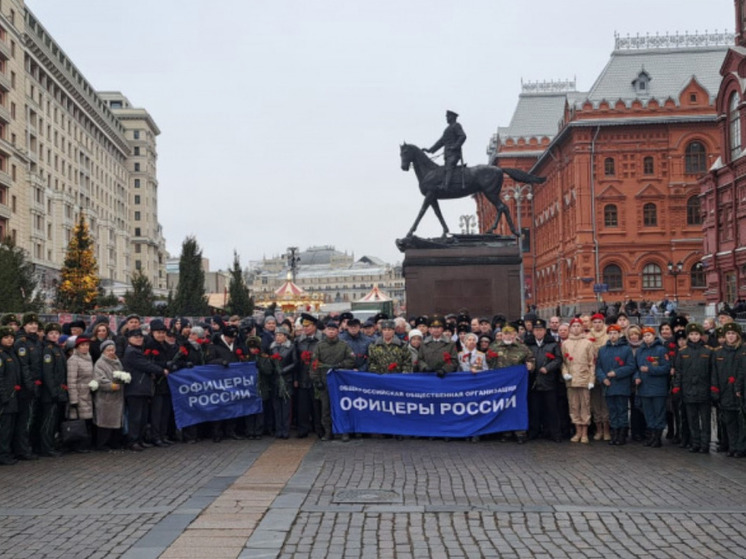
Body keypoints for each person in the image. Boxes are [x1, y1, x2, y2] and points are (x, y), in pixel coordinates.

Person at [486, 324, 534, 443]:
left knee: (518, 407)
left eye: (511, 334)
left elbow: (531, 359)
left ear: (515, 335)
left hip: (517, 385)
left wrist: (531, 365)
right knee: (504, 407)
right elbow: (488, 363)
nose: (508, 336)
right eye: (506, 333)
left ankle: (520, 433)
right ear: (502, 335)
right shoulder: (494, 347)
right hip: (501, 385)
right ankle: (505, 432)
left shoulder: (522, 348)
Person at [310, 321, 355, 441]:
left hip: (340, 383)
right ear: (325, 331)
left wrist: (339, 365)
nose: (331, 331)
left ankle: (344, 432)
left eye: (333, 329)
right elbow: (314, 364)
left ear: (338, 331)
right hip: (325, 383)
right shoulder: (320, 346)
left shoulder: (344, 345)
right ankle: (328, 432)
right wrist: (316, 380)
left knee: (342, 408)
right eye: (329, 329)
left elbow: (351, 360)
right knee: (326, 409)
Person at [673, 323, 714, 453]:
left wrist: (713, 389)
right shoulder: (683, 352)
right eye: (691, 334)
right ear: (688, 336)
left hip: (704, 390)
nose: (694, 337)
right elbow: (679, 371)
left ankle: (705, 443)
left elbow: (712, 372)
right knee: (692, 419)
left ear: (700, 335)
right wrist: (677, 387)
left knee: (705, 419)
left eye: (696, 334)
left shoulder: (708, 351)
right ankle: (695, 442)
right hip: (688, 390)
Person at [123, 328, 164, 451]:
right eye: (135, 337)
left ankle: (140, 439)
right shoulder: (131, 352)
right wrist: (162, 370)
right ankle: (133, 441)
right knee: (135, 417)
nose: (139, 339)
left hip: (142, 388)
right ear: (129, 339)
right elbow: (145, 365)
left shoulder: (138, 350)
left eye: (140, 337)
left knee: (143, 417)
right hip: (135, 388)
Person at [524, 319, 562, 443]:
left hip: (548, 381)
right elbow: (524, 358)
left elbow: (558, 359)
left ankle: (554, 433)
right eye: (536, 330)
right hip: (533, 381)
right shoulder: (528, 344)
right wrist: (528, 365)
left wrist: (548, 368)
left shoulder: (552, 344)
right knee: (534, 409)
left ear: (545, 331)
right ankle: (534, 432)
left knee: (552, 409)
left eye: (541, 330)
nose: (539, 332)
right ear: (533, 331)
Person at [596, 324, 634, 445]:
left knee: (622, 410)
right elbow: (598, 367)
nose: (613, 336)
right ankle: (614, 433)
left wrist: (616, 373)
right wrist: (603, 378)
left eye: (615, 333)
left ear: (619, 334)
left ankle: (622, 434)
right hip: (608, 385)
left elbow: (631, 366)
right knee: (612, 411)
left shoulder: (626, 349)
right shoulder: (602, 350)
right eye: (611, 333)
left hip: (621, 384)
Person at [13, 312, 43, 461]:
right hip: (26, 388)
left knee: (31, 419)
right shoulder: (21, 342)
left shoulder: (36, 341)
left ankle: (28, 447)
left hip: (36, 385)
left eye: (35, 323)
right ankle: (22, 450)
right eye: (30, 324)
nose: (34, 326)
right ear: (24, 326)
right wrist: (30, 385)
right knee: (25, 420)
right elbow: (24, 366)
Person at [634, 327, 670, 448]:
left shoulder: (661, 350)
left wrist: (650, 369)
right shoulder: (640, 351)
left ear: (654, 336)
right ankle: (651, 435)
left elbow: (666, 368)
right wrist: (637, 377)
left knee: (658, 412)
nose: (646, 338)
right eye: (644, 336)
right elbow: (636, 367)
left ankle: (658, 437)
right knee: (648, 413)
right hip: (644, 388)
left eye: (649, 335)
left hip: (658, 388)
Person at [561, 318, 595, 444]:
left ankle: (585, 432)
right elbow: (563, 362)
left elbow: (592, 363)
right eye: (573, 326)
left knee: (585, 406)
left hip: (584, 379)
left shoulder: (588, 343)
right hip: (571, 380)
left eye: (578, 326)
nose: (575, 328)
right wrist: (565, 373)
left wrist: (591, 379)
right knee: (574, 406)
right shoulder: (565, 344)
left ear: (582, 328)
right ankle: (577, 431)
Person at [714, 323, 745, 457]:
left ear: (737, 335)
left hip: (740, 391)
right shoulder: (719, 352)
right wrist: (715, 389)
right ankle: (732, 447)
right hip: (725, 391)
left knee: (741, 421)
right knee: (729, 421)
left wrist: (738, 386)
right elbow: (715, 373)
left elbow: (743, 371)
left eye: (733, 333)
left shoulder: (743, 351)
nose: (730, 336)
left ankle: (741, 447)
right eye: (728, 334)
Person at [39, 323, 68, 457]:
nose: (54, 335)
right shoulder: (48, 350)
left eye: (56, 333)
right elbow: (48, 373)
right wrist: (53, 392)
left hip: (58, 391)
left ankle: (51, 445)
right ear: (46, 334)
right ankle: (46, 448)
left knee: (53, 421)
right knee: (48, 422)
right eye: (51, 333)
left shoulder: (58, 349)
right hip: (50, 394)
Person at [92, 340, 125, 451]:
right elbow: (99, 379)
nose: (111, 352)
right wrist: (111, 385)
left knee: (115, 421)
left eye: (113, 350)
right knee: (105, 421)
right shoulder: (100, 363)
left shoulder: (117, 361)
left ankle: (114, 442)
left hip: (118, 396)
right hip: (106, 397)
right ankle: (102, 444)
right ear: (103, 351)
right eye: (108, 350)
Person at [423, 110, 467, 190]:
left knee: (449, 167)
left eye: (448, 116)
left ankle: (446, 186)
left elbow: (463, 136)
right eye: (446, 116)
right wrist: (430, 150)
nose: (446, 118)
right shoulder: (447, 129)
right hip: (448, 155)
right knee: (445, 169)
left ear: (452, 117)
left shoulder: (456, 126)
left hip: (454, 154)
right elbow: (441, 142)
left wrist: (455, 146)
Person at [295, 313, 323, 439]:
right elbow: (295, 362)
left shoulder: (321, 340)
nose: (305, 328)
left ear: (314, 326)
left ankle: (320, 430)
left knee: (317, 406)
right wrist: (296, 378)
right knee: (303, 407)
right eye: (304, 326)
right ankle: (303, 429)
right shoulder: (298, 341)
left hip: (317, 377)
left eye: (308, 326)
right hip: (302, 377)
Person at [66, 336, 94, 452]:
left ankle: (85, 444)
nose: (85, 347)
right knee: (78, 420)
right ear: (77, 347)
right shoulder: (73, 360)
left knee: (86, 420)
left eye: (87, 345)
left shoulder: (89, 357)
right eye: (82, 345)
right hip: (79, 393)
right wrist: (73, 400)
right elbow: (71, 380)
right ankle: (76, 445)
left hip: (88, 392)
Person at [269, 326, 297, 439]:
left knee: (285, 406)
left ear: (285, 336)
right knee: (276, 406)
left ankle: (285, 429)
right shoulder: (272, 347)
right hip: (275, 379)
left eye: (280, 335)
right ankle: (278, 429)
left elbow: (295, 362)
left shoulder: (291, 347)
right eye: (276, 335)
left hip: (286, 379)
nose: (278, 337)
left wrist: (284, 370)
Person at [587, 313, 610, 441]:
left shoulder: (608, 335)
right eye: (595, 322)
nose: (597, 325)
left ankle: (606, 428)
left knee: (605, 403)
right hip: (592, 374)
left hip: (605, 373)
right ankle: (598, 429)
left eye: (600, 322)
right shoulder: (587, 336)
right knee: (595, 402)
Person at [0, 326, 21, 465]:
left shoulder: (11, 353)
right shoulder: (2, 355)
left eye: (12, 337)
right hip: (5, 398)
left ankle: (7, 452)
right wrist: (3, 397)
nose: (10, 340)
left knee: (9, 428)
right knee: (4, 429)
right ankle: (3, 454)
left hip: (13, 396)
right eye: (6, 337)